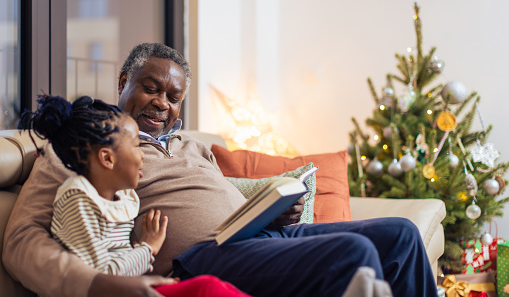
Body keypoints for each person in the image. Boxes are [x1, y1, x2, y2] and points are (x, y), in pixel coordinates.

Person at [3, 42, 439, 297]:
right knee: (354, 255)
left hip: (263, 237)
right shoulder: (87, 145)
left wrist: (272, 208)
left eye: (173, 97)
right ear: (123, 84)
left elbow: (222, 197)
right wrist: (97, 285)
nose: (162, 103)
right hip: (203, 258)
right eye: (151, 88)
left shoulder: (191, 144)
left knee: (400, 235)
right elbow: (21, 242)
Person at [16, 94, 251, 297]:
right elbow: (104, 277)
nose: (143, 155)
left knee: (210, 287)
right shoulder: (78, 199)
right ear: (107, 159)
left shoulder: (123, 195)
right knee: (206, 289)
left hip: (129, 282)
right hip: (110, 291)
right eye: (136, 146)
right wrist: (146, 249)